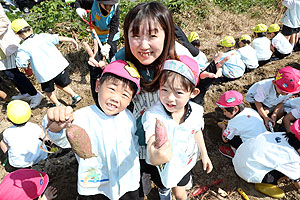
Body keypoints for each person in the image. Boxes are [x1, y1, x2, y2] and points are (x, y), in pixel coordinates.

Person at [46, 60, 142, 200]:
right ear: (98, 86)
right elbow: (63, 139)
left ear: (131, 100)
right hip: (94, 184)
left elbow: (133, 143)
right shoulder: (81, 117)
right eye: (112, 89)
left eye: (125, 95)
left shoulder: (129, 117)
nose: (116, 98)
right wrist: (55, 127)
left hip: (128, 181)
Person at [142, 55, 213, 200]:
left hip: (184, 162)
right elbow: (151, 138)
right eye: (164, 90)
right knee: (164, 184)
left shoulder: (196, 111)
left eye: (178, 92)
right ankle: (163, 191)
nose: (169, 98)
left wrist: (204, 155)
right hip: (162, 167)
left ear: (193, 93)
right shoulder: (154, 115)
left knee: (180, 194)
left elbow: (196, 131)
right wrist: (154, 156)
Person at [11, 18, 81, 107]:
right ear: (31, 28)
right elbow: (56, 38)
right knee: (61, 84)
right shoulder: (43, 36)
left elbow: (21, 62)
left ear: (18, 35)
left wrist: (27, 66)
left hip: (45, 74)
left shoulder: (23, 48)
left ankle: (57, 104)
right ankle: (75, 96)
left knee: (49, 91)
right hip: (58, 67)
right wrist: (71, 40)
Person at [232, 119, 300, 198]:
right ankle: (264, 185)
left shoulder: (282, 135)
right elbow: (298, 184)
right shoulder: (293, 158)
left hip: (241, 155)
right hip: (247, 171)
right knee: (291, 171)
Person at [0, 4, 43, 108]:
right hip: (1, 49)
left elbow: (4, 21)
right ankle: (24, 93)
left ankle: (35, 94)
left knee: (12, 72)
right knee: (8, 72)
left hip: (5, 45)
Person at [0, 100, 48, 172]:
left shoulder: (7, 132)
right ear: (30, 115)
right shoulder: (35, 127)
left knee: (2, 141)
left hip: (18, 165)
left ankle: (7, 155)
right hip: (40, 159)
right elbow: (44, 137)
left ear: (8, 119)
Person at [216, 90, 266, 158]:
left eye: (224, 111)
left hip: (251, 150)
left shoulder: (233, 123)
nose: (224, 113)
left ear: (235, 109)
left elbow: (225, 139)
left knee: (232, 138)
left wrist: (223, 127)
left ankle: (235, 151)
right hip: (265, 142)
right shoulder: (251, 111)